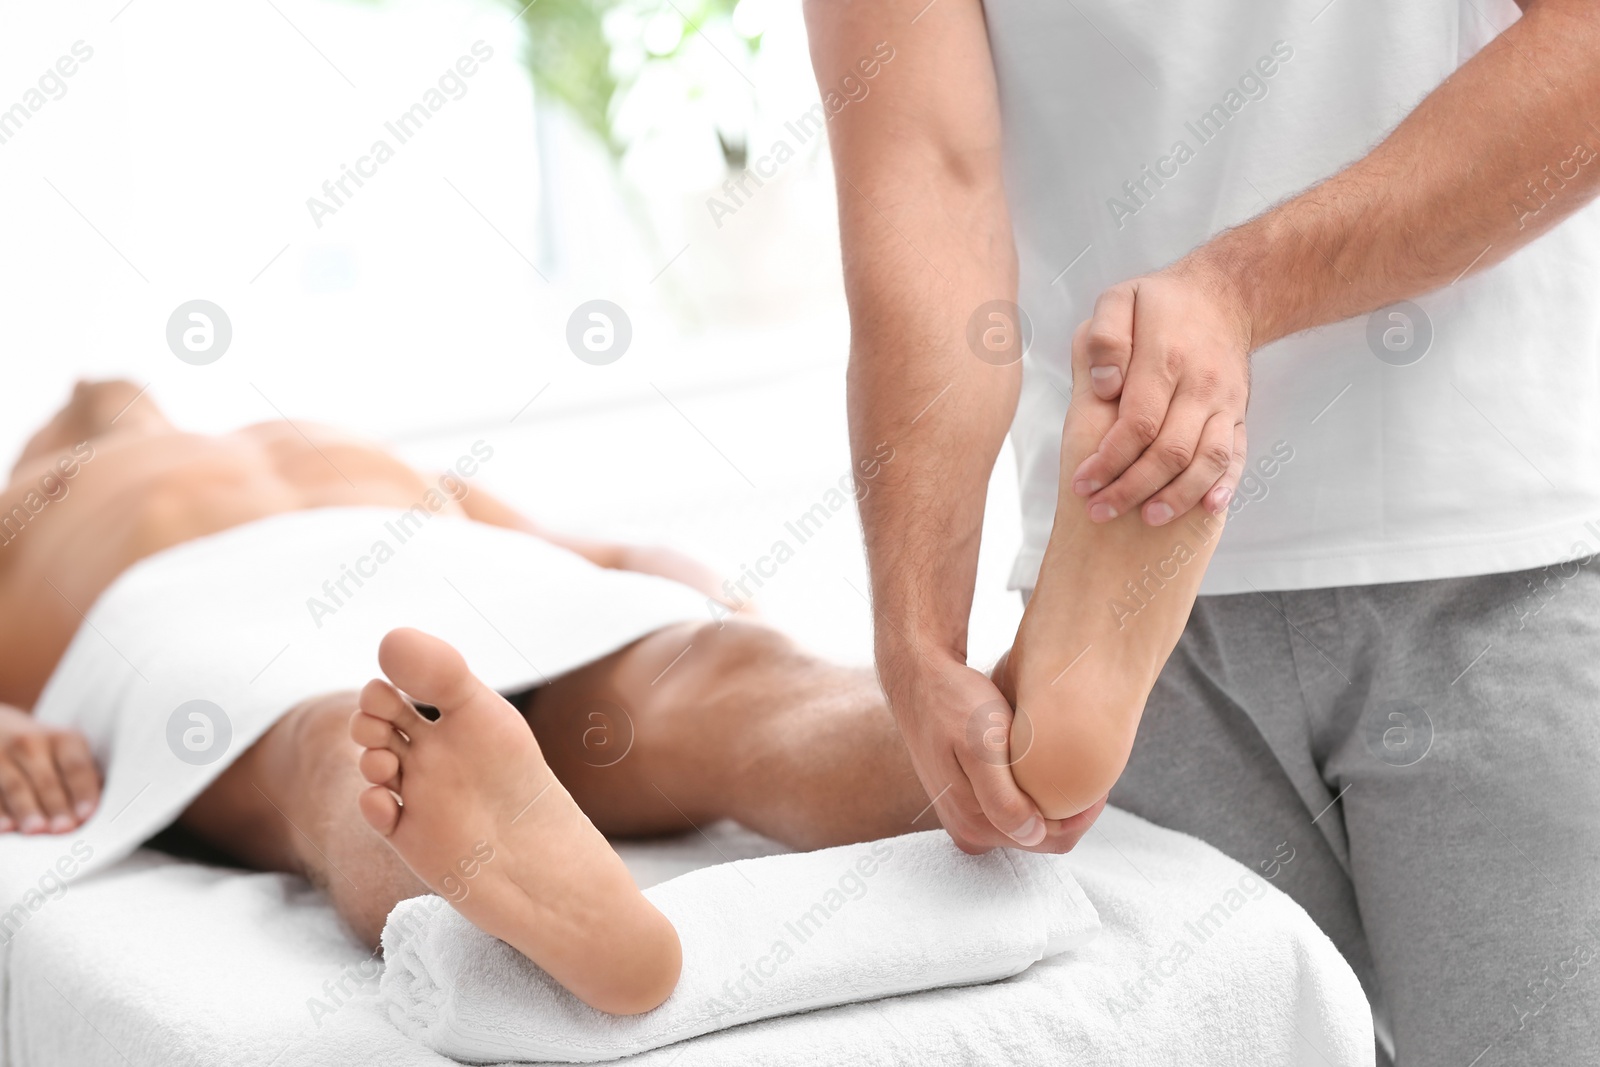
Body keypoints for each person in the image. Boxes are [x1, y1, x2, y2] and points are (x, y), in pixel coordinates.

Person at [807, 0, 1600, 1061]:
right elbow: (925, 179)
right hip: (1132, 638)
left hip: (1510, 553)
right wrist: (914, 640)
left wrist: (1239, 290)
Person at [0, 380, 1114, 1013]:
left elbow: (596, 548)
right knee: (344, 738)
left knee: (715, 674)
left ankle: (1001, 727)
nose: (99, 388)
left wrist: (703, 600)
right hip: (197, 606)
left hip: (454, 569)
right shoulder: (26, 505)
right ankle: (1007, 741)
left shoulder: (309, 435)